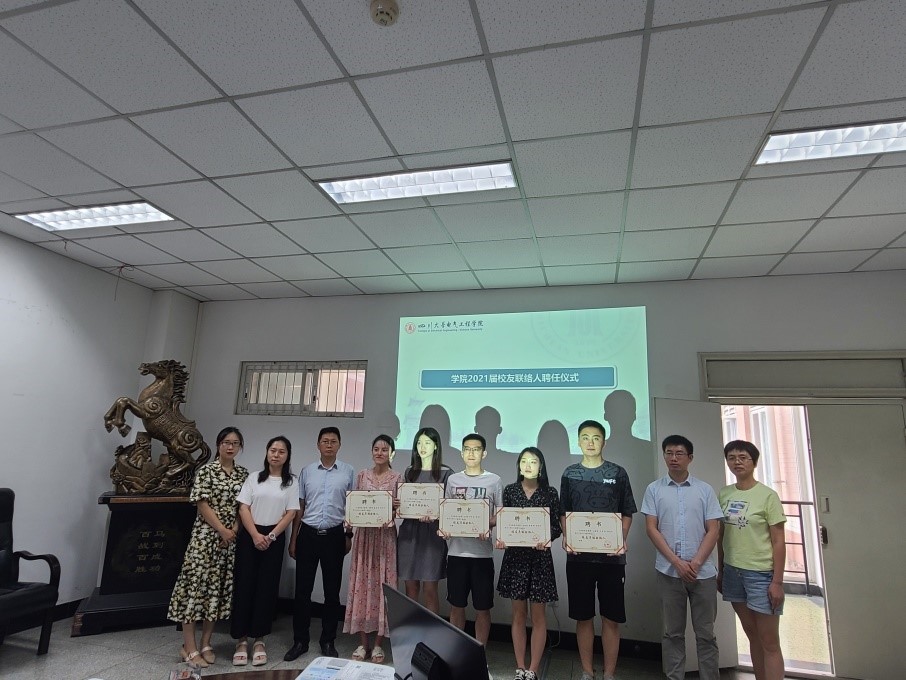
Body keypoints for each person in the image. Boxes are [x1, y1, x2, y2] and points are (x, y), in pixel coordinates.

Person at [641, 435, 723, 680]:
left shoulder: (704, 490)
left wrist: (695, 563)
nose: (673, 458)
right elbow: (651, 529)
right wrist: (677, 562)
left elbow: (714, 530)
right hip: (669, 572)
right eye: (669, 453)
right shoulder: (654, 489)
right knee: (672, 634)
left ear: (690, 458)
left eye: (679, 453)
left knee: (706, 635)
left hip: (702, 574)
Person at [560, 419, 636, 680]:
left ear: (604, 441)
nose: (590, 442)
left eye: (595, 438)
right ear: (578, 441)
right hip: (579, 558)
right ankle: (587, 671)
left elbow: (627, 511)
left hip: (611, 560)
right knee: (583, 617)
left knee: (611, 618)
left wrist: (620, 538)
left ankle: (609, 673)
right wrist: (568, 535)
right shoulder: (570, 473)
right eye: (585, 437)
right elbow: (564, 511)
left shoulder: (618, 472)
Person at [168, 427, 249, 668]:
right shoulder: (206, 471)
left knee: (215, 592)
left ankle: (206, 643)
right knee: (194, 590)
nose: (230, 447)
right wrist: (221, 529)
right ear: (218, 444)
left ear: (240, 447)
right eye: (226, 442)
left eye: (235, 443)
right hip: (204, 539)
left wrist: (233, 530)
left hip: (228, 542)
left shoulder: (243, 474)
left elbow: (243, 507)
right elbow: (201, 504)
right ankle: (189, 647)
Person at [285, 427, 355, 661]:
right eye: (325, 441)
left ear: (339, 445)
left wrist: (349, 535)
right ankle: (300, 641)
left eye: (333, 441)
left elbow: (352, 507)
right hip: (308, 534)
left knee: (332, 592)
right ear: (318, 445)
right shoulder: (307, 471)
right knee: (302, 591)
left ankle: (328, 641)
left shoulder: (348, 471)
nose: (329, 445)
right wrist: (294, 539)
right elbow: (300, 507)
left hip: (335, 535)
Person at [719, 440, 787, 680]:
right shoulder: (725, 494)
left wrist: (777, 582)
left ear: (754, 462)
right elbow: (721, 536)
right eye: (731, 457)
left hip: (761, 575)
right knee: (753, 637)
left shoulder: (768, 496)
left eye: (743, 457)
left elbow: (778, 541)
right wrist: (721, 571)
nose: (737, 462)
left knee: (770, 642)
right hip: (732, 572)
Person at [230, 436, 299, 666]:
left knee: (266, 588)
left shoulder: (291, 482)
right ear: (267, 452)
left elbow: (291, 513)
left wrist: (269, 537)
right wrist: (254, 535)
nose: (276, 454)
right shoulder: (253, 478)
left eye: (281, 451)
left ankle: (259, 639)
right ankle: (241, 640)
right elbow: (243, 507)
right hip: (250, 536)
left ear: (287, 456)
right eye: (272, 450)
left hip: (274, 538)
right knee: (244, 585)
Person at [496, 447, 561, 680]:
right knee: (518, 615)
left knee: (538, 616)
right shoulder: (510, 490)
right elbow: (505, 521)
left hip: (540, 559)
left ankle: (533, 669)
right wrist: (503, 537)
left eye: (533, 462)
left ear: (541, 466)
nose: (528, 465)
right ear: (519, 466)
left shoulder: (550, 492)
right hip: (516, 559)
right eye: (523, 461)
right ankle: (520, 667)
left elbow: (556, 526)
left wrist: (546, 538)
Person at [343, 434, 402, 665]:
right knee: (362, 585)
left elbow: (402, 511)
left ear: (391, 453)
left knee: (383, 587)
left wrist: (396, 507)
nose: (379, 453)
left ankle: (378, 645)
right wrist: (348, 525)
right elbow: (354, 505)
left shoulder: (398, 478)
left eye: (384, 449)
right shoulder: (361, 475)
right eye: (376, 449)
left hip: (385, 539)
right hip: (364, 538)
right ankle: (362, 643)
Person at [442, 433, 503, 646]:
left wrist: (487, 523)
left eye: (476, 449)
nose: (471, 453)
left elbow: (500, 514)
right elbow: (447, 511)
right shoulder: (453, 480)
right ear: (461, 453)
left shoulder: (494, 480)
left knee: (482, 608)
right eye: (467, 449)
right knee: (456, 605)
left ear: (484, 453)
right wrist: (446, 527)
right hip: (456, 553)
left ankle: (479, 652)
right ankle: (456, 650)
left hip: (482, 554)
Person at [396, 427, 454, 614]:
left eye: (427, 443)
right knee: (410, 587)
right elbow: (405, 502)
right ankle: (411, 630)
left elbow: (451, 507)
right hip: (409, 534)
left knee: (430, 589)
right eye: (419, 443)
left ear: (436, 446)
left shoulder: (446, 473)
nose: (422, 447)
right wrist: (398, 504)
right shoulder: (409, 471)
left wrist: (437, 514)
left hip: (432, 535)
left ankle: (430, 632)